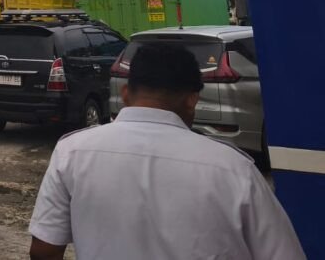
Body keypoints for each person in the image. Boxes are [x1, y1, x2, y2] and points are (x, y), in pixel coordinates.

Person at [28, 42, 305, 260]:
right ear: (192, 100)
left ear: (126, 93)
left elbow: (44, 250)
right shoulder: (233, 169)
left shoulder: (72, 152)